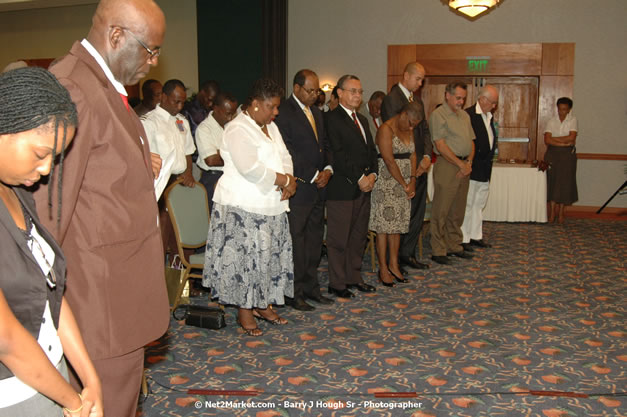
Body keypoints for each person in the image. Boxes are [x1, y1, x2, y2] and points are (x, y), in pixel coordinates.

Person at [32, 1, 170, 416]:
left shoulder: (101, 84)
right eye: (151, 50)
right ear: (116, 37)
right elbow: (45, 216)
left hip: (117, 301)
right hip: (98, 310)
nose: (154, 61)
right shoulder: (75, 87)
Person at [0, 67, 103, 416]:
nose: (46, 170)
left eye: (54, 159)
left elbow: (50, 293)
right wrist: (75, 403)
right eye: (41, 153)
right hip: (12, 393)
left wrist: (90, 381)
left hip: (50, 374)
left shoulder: (17, 191)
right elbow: (7, 339)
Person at [203, 78, 296, 337]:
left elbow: (284, 155)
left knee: (267, 258)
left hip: (271, 205)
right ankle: (245, 310)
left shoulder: (270, 126)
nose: (275, 112)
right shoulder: (237, 129)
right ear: (255, 104)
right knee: (247, 260)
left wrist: (290, 179)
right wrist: (284, 180)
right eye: (271, 106)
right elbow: (250, 168)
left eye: (277, 107)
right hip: (242, 206)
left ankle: (262, 304)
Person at [275, 69, 334, 311]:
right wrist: (311, 174)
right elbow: (287, 151)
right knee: (297, 244)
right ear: (297, 88)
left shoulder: (317, 113)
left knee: (313, 242)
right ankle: (294, 292)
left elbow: (325, 145)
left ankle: (312, 288)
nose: (314, 95)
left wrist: (328, 169)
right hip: (300, 187)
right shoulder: (284, 113)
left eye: (316, 90)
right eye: (310, 90)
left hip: (319, 188)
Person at [325, 74, 378, 298]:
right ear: (339, 92)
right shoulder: (331, 119)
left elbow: (371, 152)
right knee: (339, 239)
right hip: (343, 189)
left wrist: (373, 174)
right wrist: (359, 178)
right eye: (352, 91)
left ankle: (353, 277)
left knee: (358, 237)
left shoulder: (363, 120)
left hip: (364, 189)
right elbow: (338, 154)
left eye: (359, 91)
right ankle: (337, 283)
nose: (357, 95)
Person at [381, 61, 431, 271]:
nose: (420, 83)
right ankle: (395, 259)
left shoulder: (416, 100)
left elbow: (425, 131)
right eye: (418, 79)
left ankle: (407, 253)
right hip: (402, 165)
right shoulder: (391, 100)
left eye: (422, 80)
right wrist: (412, 164)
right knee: (400, 214)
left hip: (419, 164)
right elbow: (400, 134)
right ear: (406, 75)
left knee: (416, 211)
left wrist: (427, 156)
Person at [370, 102, 420, 286]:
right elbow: (389, 161)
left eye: (415, 124)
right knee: (384, 227)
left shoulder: (409, 128)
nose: (412, 126)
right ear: (404, 114)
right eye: (411, 122)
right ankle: (383, 268)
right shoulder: (386, 129)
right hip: (386, 184)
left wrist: (412, 179)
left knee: (397, 226)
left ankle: (394, 264)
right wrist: (403, 183)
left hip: (405, 183)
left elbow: (413, 155)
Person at [429, 81, 475, 265]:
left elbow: (471, 141)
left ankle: (454, 245)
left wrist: (469, 162)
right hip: (448, 165)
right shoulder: (438, 115)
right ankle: (438, 249)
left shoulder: (464, 116)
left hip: (464, 164)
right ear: (447, 95)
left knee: (458, 210)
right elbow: (440, 145)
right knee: (442, 209)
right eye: (458, 98)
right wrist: (459, 164)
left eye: (463, 98)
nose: (461, 102)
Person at [461, 85, 499, 250]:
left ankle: (476, 236)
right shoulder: (468, 115)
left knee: (478, 204)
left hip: (485, 169)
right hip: (472, 167)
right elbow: (468, 143)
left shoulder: (489, 116)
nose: (494, 106)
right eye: (493, 102)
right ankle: (464, 238)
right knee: (468, 204)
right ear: (482, 99)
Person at [142, 78, 196, 187]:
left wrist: (189, 172)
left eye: (182, 103)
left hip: (181, 180)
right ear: (164, 97)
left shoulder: (182, 121)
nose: (180, 107)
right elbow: (142, 156)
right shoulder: (148, 122)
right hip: (159, 180)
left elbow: (188, 151)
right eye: (176, 102)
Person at [195, 92, 238, 212]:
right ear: (215, 108)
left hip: (232, 177)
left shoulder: (232, 126)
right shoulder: (204, 129)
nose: (230, 118)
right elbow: (212, 160)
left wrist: (222, 153)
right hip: (213, 179)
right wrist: (234, 156)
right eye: (227, 113)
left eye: (233, 114)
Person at [544, 97, 578, 223]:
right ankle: (552, 212)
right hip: (552, 154)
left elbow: (572, 138)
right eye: (559, 109)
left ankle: (561, 213)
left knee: (564, 183)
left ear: (569, 110)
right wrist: (564, 142)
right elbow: (547, 140)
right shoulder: (551, 121)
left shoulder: (573, 120)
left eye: (564, 109)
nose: (561, 112)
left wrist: (556, 140)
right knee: (552, 182)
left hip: (567, 156)